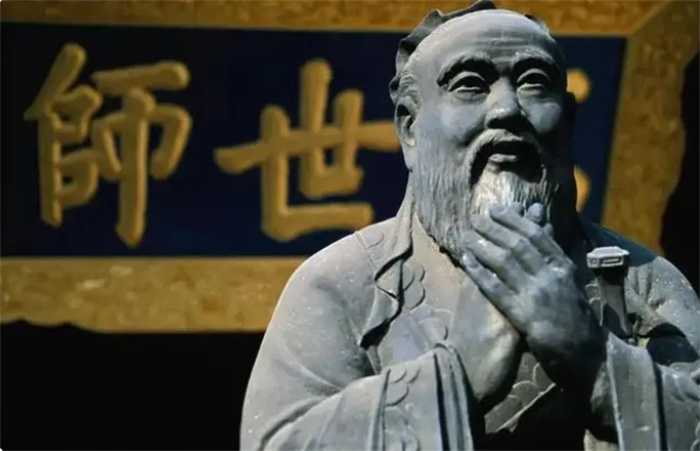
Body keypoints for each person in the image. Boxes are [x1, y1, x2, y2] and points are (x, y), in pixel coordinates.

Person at [241, 1, 700, 449]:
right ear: (409, 128)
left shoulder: (643, 280)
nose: (506, 109)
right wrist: (454, 374)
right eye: (469, 85)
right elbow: (278, 442)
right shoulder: (341, 284)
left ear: (569, 118)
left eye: (534, 83)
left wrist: (596, 362)